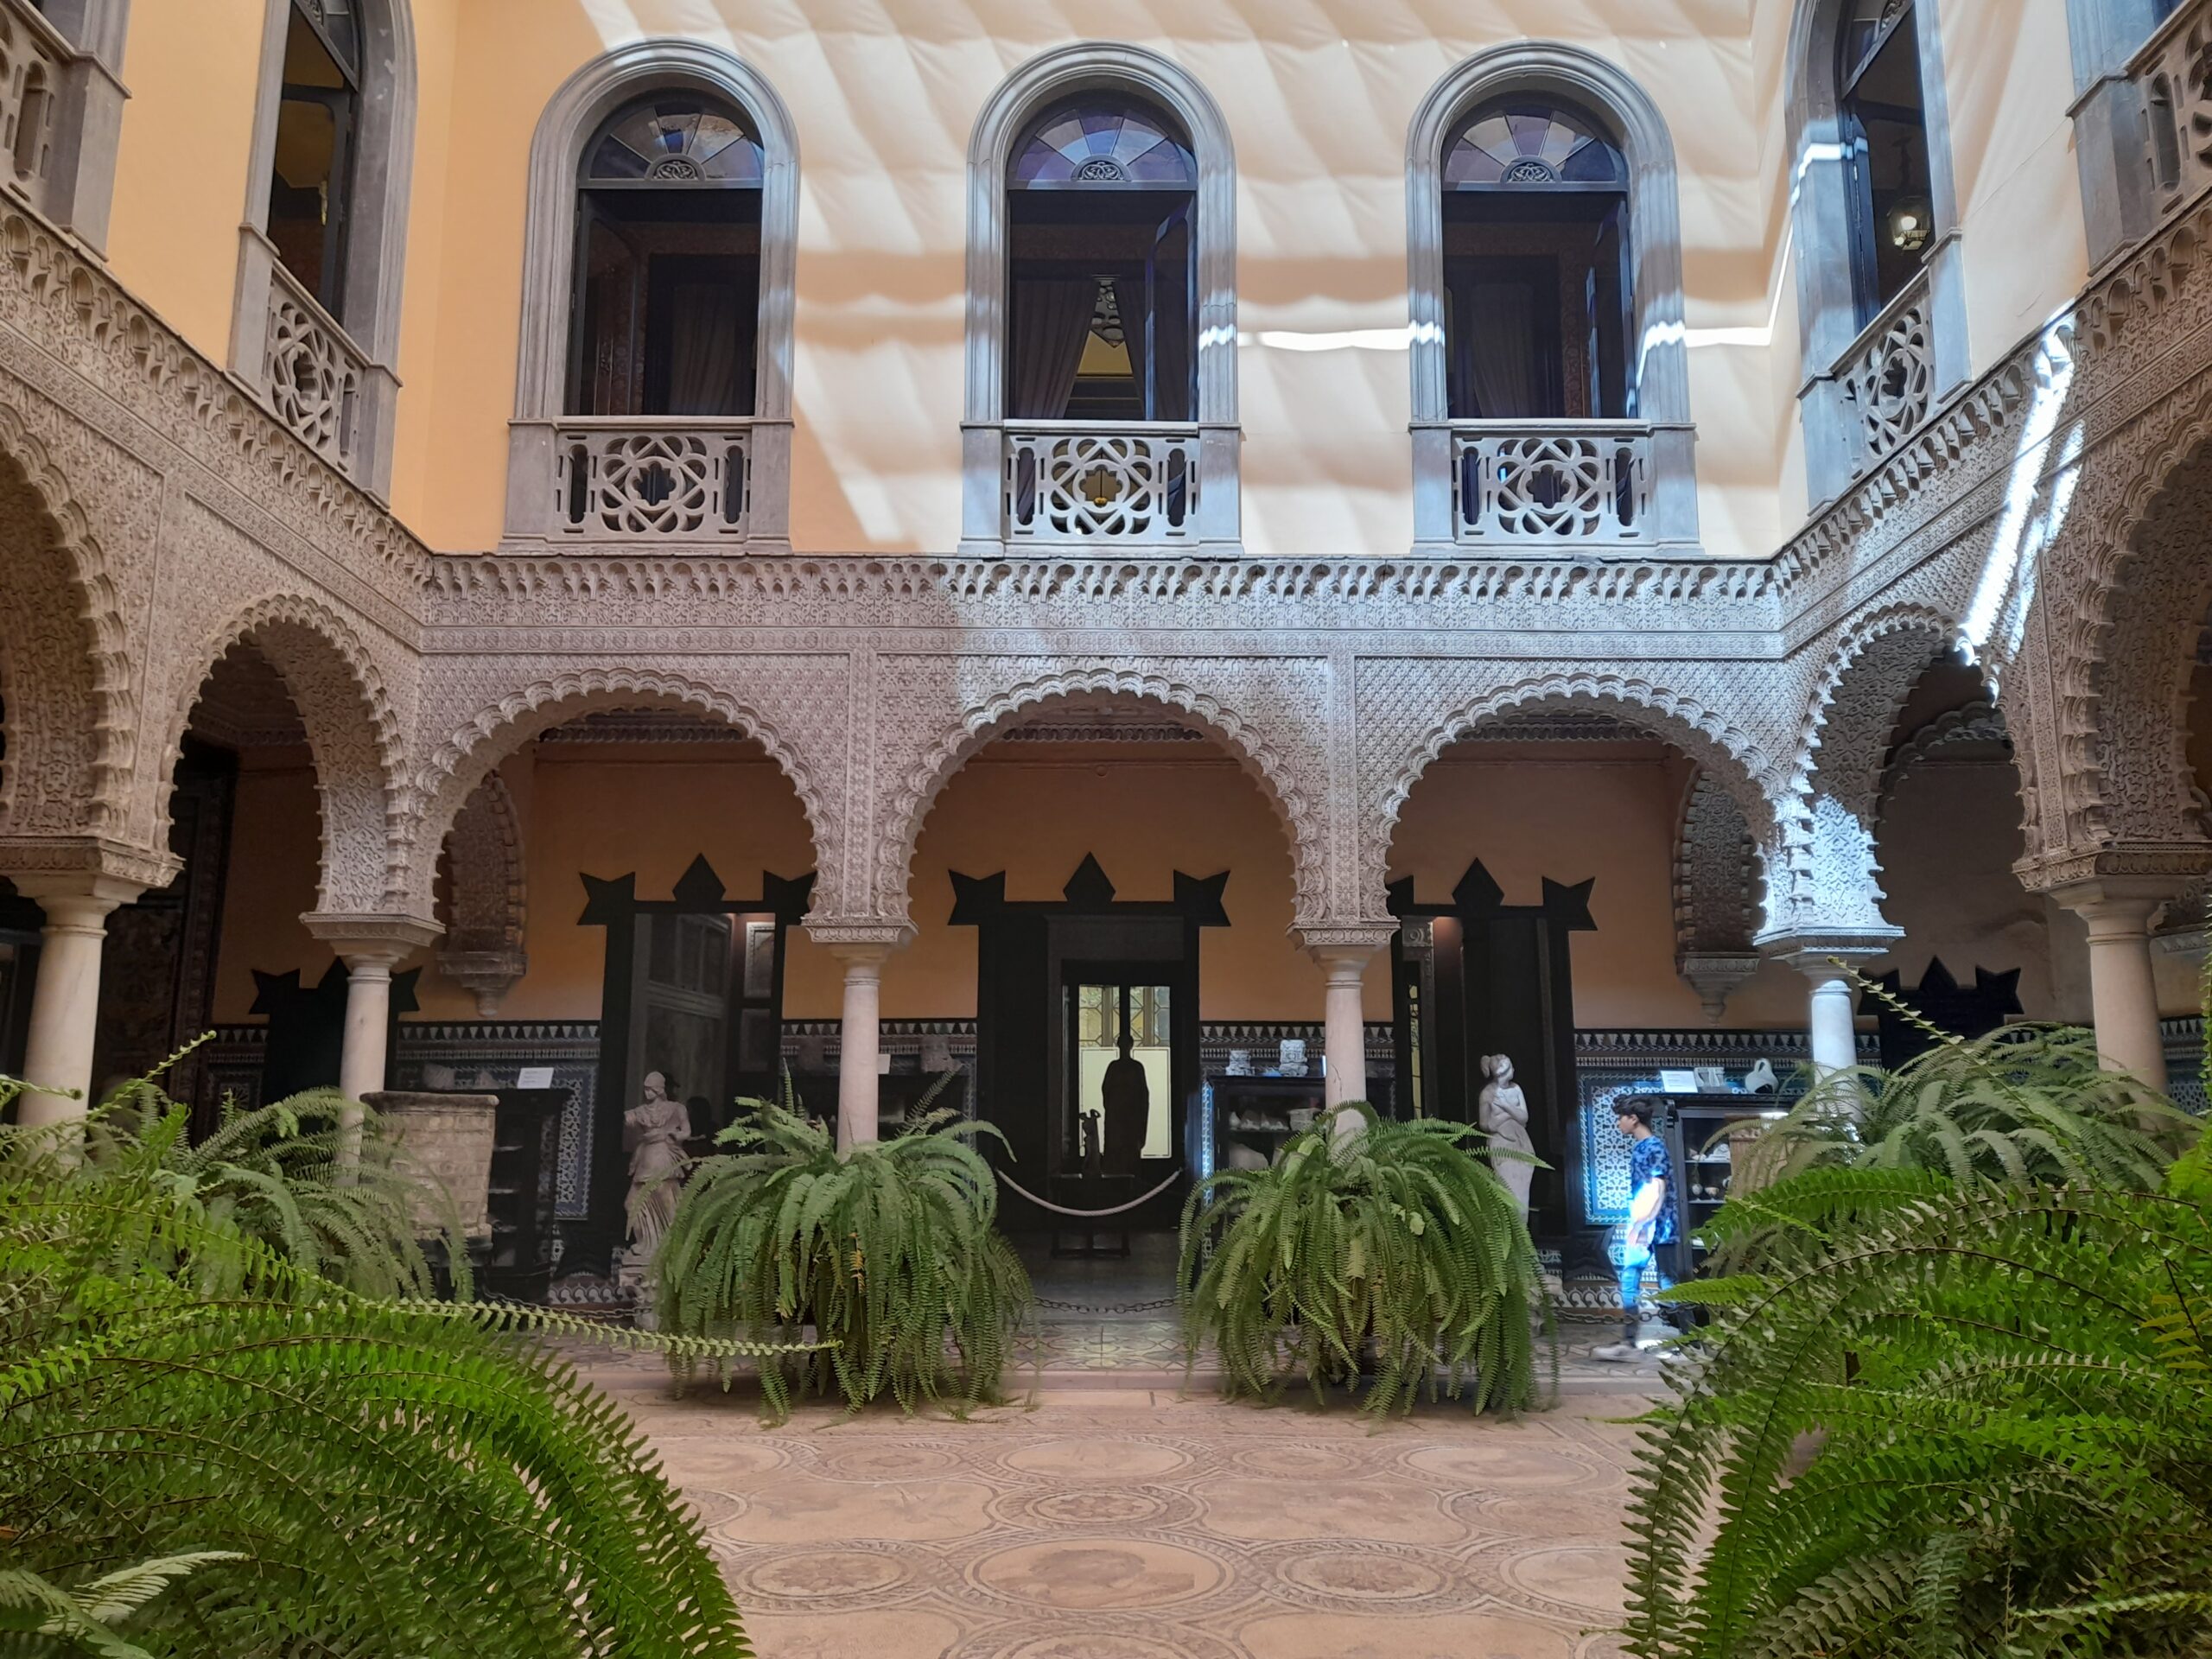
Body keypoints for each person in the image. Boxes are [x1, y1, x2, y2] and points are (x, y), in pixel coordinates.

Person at [1592, 1098, 1676, 1362]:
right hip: (1649, 1224)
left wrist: (1642, 1225)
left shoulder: (1653, 1147)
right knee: (1634, 1280)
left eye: (1621, 1117)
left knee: (1668, 1285)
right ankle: (1629, 1342)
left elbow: (1658, 1189)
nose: (1618, 1122)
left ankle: (1691, 1340)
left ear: (1634, 1119)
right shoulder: (1644, 1147)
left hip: (1657, 1227)